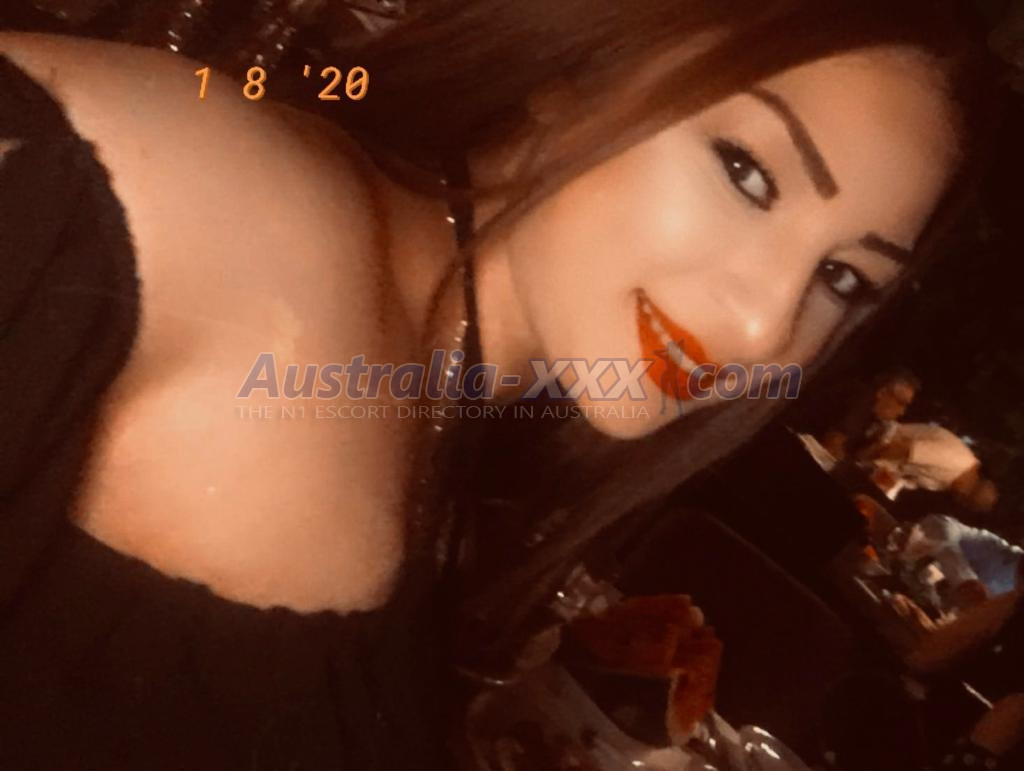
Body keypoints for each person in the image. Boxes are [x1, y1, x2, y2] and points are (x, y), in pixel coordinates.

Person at [0, 1, 1008, 769]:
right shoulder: (196, 210)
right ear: (571, 77)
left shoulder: (469, 428)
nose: (762, 326)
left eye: (842, 279)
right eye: (746, 171)